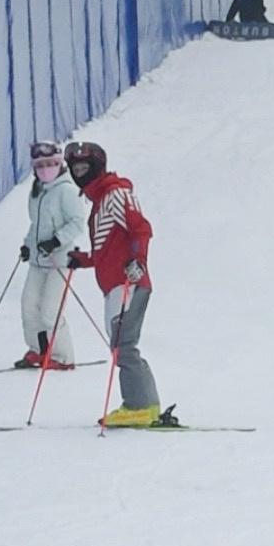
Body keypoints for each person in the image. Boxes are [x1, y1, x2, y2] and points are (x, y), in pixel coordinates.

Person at [64, 142, 165, 428]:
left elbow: (141, 228)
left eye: (85, 168)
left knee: (123, 344)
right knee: (122, 344)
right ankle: (146, 403)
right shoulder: (99, 203)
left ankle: (139, 405)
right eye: (76, 168)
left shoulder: (116, 194)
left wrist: (138, 260)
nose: (80, 173)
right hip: (114, 285)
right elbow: (106, 253)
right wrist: (83, 260)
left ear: (97, 167)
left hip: (129, 281)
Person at [16, 141, 90, 370]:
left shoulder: (66, 190)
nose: (45, 169)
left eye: (51, 164)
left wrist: (56, 241)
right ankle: (39, 350)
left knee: (49, 310)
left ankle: (63, 357)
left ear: (60, 165)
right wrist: (28, 245)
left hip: (60, 260)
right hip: (39, 261)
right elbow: (36, 225)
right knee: (29, 306)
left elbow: (78, 222)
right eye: (40, 165)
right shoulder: (37, 192)